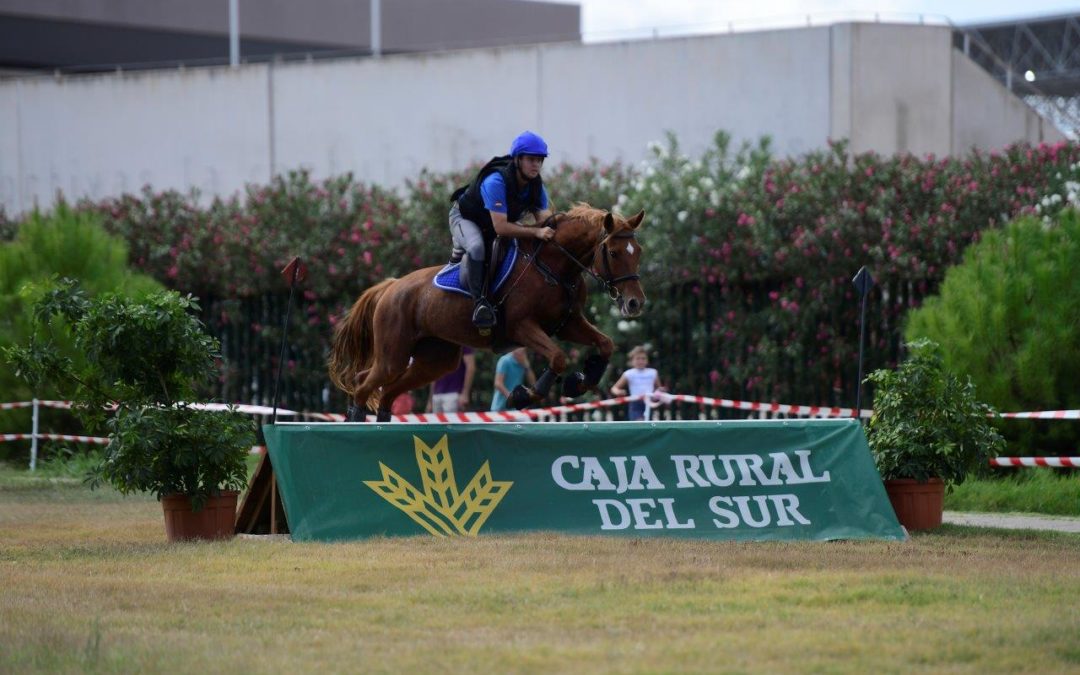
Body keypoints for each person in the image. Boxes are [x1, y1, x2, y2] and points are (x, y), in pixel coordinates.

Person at [449, 130, 557, 330]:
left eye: (540, 160)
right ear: (517, 160)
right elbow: (501, 227)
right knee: (476, 247)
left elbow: (546, 219)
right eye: (531, 159)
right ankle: (480, 303)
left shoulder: (535, 185)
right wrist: (535, 232)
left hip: (494, 225)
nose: (537, 165)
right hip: (465, 218)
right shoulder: (496, 181)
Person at [609, 345, 665, 421]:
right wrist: (619, 392)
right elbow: (614, 388)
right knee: (639, 424)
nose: (640, 361)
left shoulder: (653, 372)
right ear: (632, 361)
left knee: (648, 426)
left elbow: (658, 388)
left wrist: (660, 391)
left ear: (647, 360)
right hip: (635, 403)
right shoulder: (628, 373)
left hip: (649, 403)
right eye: (638, 359)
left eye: (643, 358)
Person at [426, 347, 476, 413]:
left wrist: (465, 394)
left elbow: (470, 367)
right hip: (437, 395)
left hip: (455, 395)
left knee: (451, 422)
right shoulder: (437, 343)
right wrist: (430, 400)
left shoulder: (462, 342)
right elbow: (434, 372)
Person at [490, 347, 536, 412]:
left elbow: (533, 383)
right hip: (500, 408)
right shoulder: (505, 360)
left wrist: (527, 366)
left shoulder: (523, 362)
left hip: (515, 409)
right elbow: (498, 384)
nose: (521, 350)